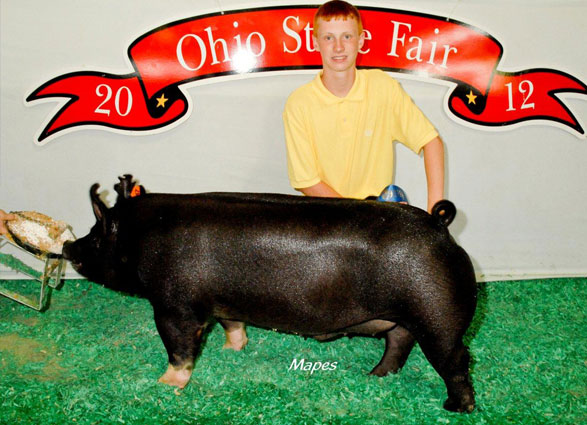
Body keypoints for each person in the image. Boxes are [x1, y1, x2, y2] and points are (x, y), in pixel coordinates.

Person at [283, 0, 445, 213]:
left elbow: (431, 142)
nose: (338, 47)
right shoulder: (298, 103)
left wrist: (436, 212)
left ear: (360, 41)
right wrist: (358, 218)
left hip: (375, 227)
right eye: (328, 37)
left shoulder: (383, 87)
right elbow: (306, 181)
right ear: (315, 42)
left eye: (347, 37)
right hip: (326, 226)